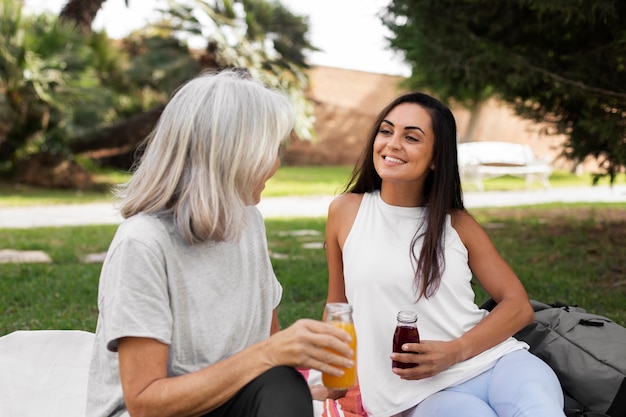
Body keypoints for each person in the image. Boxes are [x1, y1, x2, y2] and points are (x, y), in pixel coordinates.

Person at [86, 69, 355, 417]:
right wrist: (272, 354)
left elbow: (266, 360)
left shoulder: (247, 222)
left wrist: (310, 383)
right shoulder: (143, 243)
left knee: (283, 383)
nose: (275, 164)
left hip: (226, 403)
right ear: (233, 155)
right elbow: (145, 402)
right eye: (270, 150)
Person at [324, 91, 565, 417]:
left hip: (496, 364)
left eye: (411, 137)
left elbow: (517, 305)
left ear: (437, 157)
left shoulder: (458, 224)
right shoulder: (345, 212)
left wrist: (454, 351)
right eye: (386, 131)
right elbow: (338, 307)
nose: (393, 143)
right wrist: (334, 376)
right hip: (413, 395)